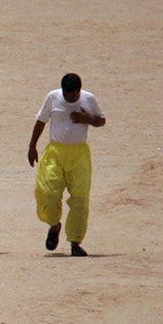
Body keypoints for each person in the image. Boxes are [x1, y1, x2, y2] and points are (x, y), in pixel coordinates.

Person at [27, 72, 106, 255]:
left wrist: (88, 119)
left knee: (80, 198)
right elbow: (41, 120)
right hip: (55, 152)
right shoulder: (53, 97)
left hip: (79, 154)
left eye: (74, 95)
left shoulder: (89, 99)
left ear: (79, 90)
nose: (70, 98)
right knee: (47, 192)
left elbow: (101, 120)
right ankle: (54, 225)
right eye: (67, 94)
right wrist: (32, 146)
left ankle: (75, 242)